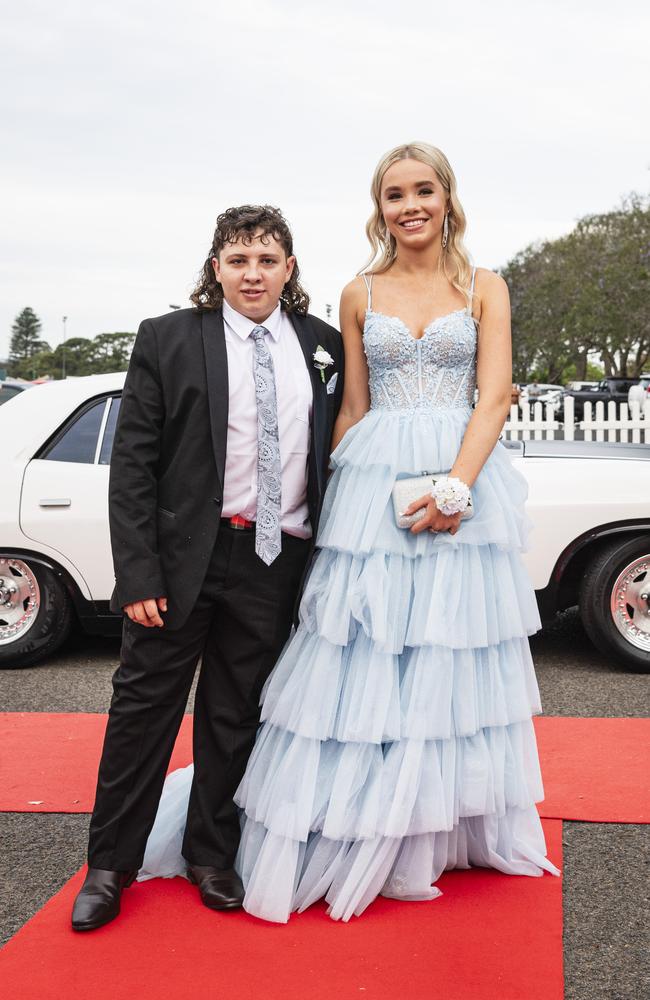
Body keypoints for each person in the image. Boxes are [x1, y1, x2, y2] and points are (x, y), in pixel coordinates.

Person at [139, 142, 560, 922]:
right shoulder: (358, 292)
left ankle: (435, 823)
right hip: (374, 491)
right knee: (363, 655)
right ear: (380, 207)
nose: (410, 206)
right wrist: (328, 521)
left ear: (446, 197)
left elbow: (494, 396)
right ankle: (357, 821)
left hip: (461, 478)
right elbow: (353, 408)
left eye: (422, 190)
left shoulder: (485, 287)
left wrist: (456, 489)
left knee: (448, 654)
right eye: (394, 194)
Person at [71, 205, 344, 931]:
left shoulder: (323, 346)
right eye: (237, 259)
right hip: (180, 562)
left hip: (275, 559)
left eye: (266, 259)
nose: (252, 273)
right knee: (142, 713)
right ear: (215, 267)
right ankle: (109, 865)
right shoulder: (167, 339)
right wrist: (138, 575)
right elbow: (132, 464)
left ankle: (211, 855)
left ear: (289, 269)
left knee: (237, 716)